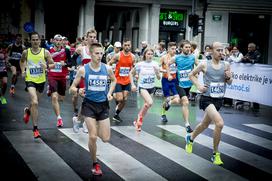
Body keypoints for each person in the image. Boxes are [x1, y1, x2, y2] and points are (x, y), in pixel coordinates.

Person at [69, 43, 116, 176]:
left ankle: (89, 125)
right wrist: (79, 90)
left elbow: (114, 80)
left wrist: (110, 93)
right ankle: (95, 163)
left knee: (106, 139)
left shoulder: (107, 68)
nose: (100, 56)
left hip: (103, 106)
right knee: (93, 136)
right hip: (89, 105)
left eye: (101, 53)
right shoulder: (84, 70)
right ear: (90, 54)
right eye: (97, 53)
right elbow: (71, 88)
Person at [186, 41, 233, 165]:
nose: (221, 52)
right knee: (219, 123)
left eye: (222, 50)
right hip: (207, 99)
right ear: (211, 51)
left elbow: (229, 83)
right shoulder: (204, 64)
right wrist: (199, 86)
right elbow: (191, 75)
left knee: (204, 124)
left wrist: (228, 77)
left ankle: (190, 138)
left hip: (218, 100)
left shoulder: (226, 64)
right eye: (218, 50)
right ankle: (215, 154)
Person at [20, 32, 54, 138]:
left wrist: (47, 66)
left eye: (37, 39)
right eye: (33, 40)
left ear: (40, 41)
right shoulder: (26, 52)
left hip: (41, 80)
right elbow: (22, 61)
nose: (35, 41)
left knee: (35, 103)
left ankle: (28, 110)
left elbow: (52, 65)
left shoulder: (45, 52)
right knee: (34, 102)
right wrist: (23, 71)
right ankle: (35, 128)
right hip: (30, 79)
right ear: (30, 41)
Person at [168, 40, 198, 133]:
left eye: (189, 47)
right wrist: (169, 74)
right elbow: (167, 64)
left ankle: (169, 102)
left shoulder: (193, 57)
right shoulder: (177, 58)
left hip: (188, 84)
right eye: (186, 47)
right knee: (185, 102)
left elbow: (201, 66)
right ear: (181, 48)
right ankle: (187, 125)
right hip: (179, 83)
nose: (188, 49)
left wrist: (196, 72)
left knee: (179, 100)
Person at [71, 29, 97, 133]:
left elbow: (102, 61)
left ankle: (78, 120)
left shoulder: (98, 48)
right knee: (87, 99)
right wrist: (75, 66)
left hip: (95, 77)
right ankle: (85, 122)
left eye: (94, 37)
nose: (92, 39)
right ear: (86, 38)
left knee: (89, 101)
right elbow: (72, 58)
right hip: (84, 77)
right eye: (90, 37)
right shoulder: (81, 49)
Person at [130, 47, 161, 131]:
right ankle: (140, 118)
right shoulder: (140, 64)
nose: (150, 56)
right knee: (150, 102)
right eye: (148, 54)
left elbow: (158, 78)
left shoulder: (155, 64)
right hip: (143, 87)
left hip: (151, 87)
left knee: (147, 105)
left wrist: (157, 72)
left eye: (151, 54)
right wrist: (132, 84)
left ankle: (137, 121)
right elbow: (131, 73)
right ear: (145, 55)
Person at [108, 38, 135, 122]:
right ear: (123, 45)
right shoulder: (118, 55)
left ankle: (116, 115)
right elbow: (109, 63)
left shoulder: (133, 56)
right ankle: (115, 94)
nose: (127, 47)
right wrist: (111, 73)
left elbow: (133, 67)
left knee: (124, 99)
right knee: (120, 99)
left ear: (130, 46)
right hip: (118, 80)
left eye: (128, 45)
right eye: (125, 45)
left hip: (127, 80)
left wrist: (134, 75)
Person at [48, 34, 72, 127]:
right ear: (53, 41)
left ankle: (50, 89)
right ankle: (59, 118)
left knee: (61, 98)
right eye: (56, 40)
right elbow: (45, 62)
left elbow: (70, 62)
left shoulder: (66, 50)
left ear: (62, 42)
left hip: (62, 77)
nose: (58, 42)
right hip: (52, 76)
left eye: (60, 40)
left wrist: (65, 64)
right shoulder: (49, 51)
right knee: (54, 97)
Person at [160, 42, 179, 122]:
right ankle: (163, 114)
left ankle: (169, 102)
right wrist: (166, 71)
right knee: (167, 98)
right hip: (166, 80)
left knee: (177, 99)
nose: (174, 50)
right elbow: (158, 68)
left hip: (175, 81)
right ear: (168, 49)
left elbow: (178, 68)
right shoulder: (164, 57)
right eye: (172, 49)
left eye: (175, 49)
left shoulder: (177, 58)